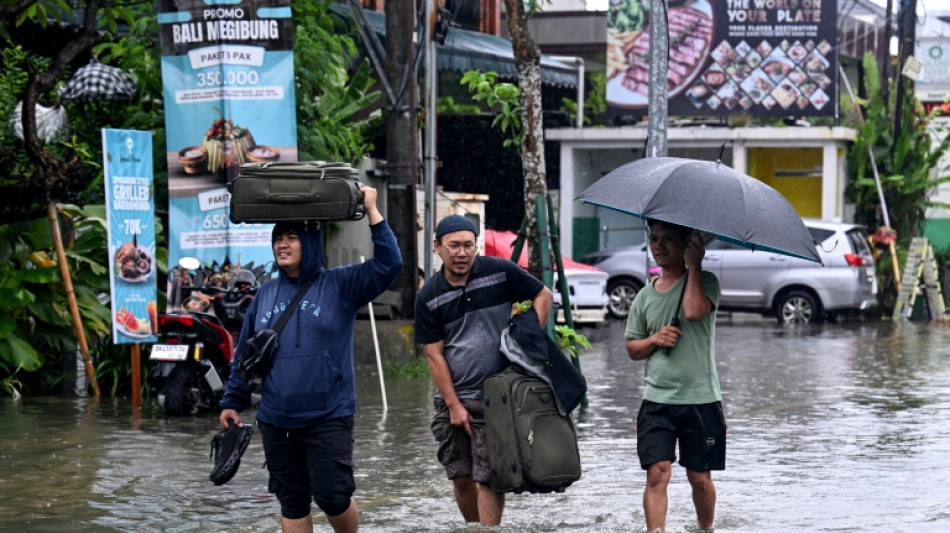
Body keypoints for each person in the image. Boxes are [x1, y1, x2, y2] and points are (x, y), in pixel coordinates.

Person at [218, 186, 401, 533]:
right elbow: (246, 354)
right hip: (275, 418)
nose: (282, 245)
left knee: (333, 496)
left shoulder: (341, 284)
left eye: (291, 237)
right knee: (292, 500)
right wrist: (232, 401)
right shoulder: (265, 293)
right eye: (277, 239)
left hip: (328, 414)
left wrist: (373, 212)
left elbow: (390, 264)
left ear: (310, 243)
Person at [414, 215, 554, 526]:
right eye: (454, 246)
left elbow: (543, 295)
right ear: (438, 247)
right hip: (454, 398)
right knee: (462, 477)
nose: (461, 253)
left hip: (498, 397)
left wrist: (528, 340)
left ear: (476, 246)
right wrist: (453, 407)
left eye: (468, 245)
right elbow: (434, 355)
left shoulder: (498, 272)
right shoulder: (428, 297)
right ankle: (474, 528)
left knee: (490, 476)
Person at [624, 219, 725, 533]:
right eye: (654, 239)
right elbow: (632, 348)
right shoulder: (643, 297)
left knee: (699, 478)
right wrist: (654, 340)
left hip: (702, 399)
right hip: (657, 401)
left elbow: (694, 311)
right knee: (657, 473)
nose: (658, 245)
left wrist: (694, 267)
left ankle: (705, 528)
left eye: (668, 239)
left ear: (687, 245)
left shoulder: (706, 281)